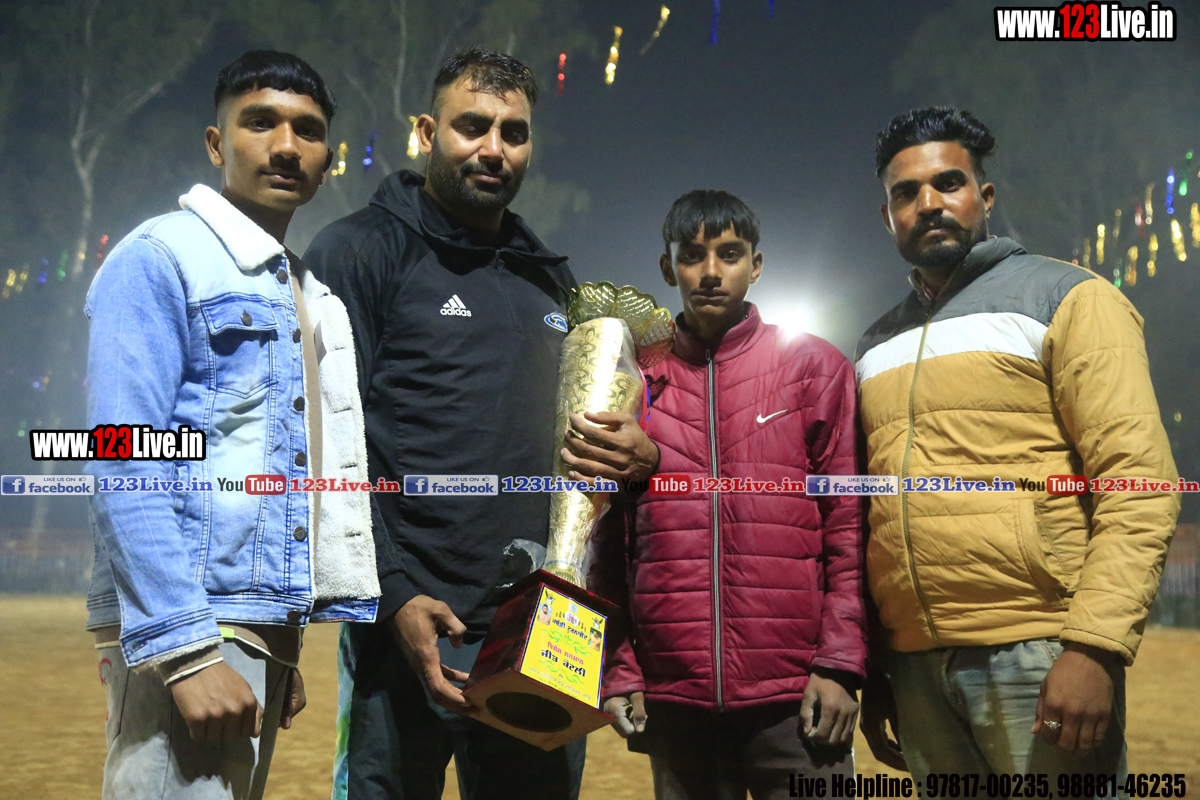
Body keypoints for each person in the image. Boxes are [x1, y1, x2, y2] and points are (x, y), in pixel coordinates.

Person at [304, 47, 657, 800]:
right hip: (404, 629)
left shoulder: (549, 276)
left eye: (513, 132)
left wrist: (638, 456)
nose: (494, 148)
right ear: (426, 131)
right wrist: (394, 595)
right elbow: (326, 444)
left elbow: (584, 445)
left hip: (538, 631)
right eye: (472, 126)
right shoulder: (357, 251)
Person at [84, 50, 379, 800]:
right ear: (217, 145)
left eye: (307, 130)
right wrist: (187, 652)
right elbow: (121, 458)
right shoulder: (160, 257)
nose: (286, 145)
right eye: (260, 123)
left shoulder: (304, 288)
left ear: (328, 159)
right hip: (192, 630)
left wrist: (279, 638)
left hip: (251, 632)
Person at [856, 107, 1180, 786]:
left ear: (985, 196)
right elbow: (869, 514)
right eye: (906, 193)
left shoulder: (1070, 298)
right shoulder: (876, 345)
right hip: (915, 670)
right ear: (887, 217)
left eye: (948, 183)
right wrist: (879, 665)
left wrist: (1093, 648)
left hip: (1041, 654)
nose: (928, 203)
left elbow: (1138, 483)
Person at [593, 190, 868, 800]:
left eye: (730, 253)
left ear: (756, 264)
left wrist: (839, 664)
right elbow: (604, 540)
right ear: (668, 268)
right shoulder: (633, 380)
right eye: (692, 256)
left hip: (797, 699)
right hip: (674, 701)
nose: (711, 272)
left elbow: (848, 526)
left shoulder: (814, 369)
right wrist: (620, 667)